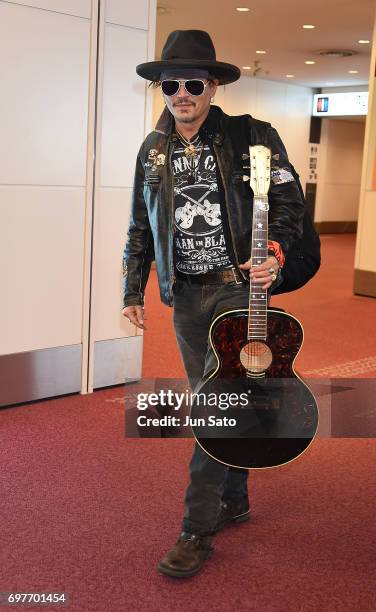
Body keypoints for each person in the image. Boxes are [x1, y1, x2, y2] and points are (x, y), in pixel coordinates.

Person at [122, 30, 306, 578]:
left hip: (236, 290)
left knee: (211, 408)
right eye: (170, 84)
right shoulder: (153, 149)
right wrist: (133, 288)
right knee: (226, 406)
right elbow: (139, 225)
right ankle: (235, 499)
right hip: (185, 296)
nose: (181, 93)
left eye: (193, 83)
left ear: (214, 85)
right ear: (161, 88)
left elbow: (290, 200)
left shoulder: (254, 136)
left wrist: (274, 251)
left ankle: (196, 530)